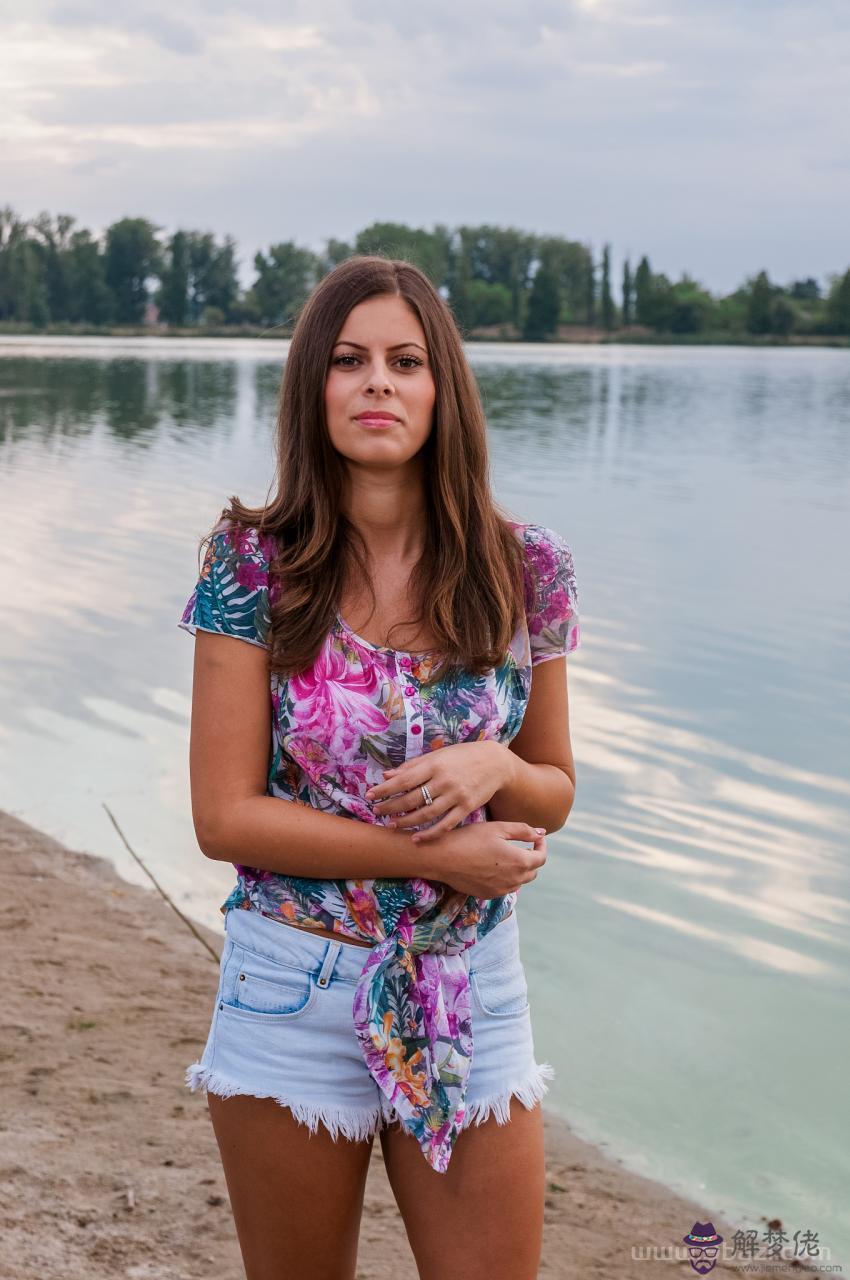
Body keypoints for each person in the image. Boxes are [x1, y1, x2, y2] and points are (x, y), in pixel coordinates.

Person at [177, 254, 582, 1280]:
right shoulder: (252, 565)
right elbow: (224, 817)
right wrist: (435, 857)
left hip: (471, 982)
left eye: (406, 361)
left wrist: (492, 763)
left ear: (442, 389)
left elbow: (554, 787)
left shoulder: (526, 568)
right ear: (313, 386)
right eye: (348, 360)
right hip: (292, 980)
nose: (377, 384)